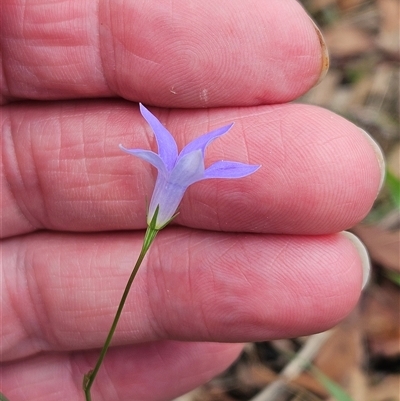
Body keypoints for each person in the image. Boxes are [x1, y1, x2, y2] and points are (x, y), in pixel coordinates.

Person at [1, 1, 384, 400]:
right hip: (158, 210)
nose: (195, 160)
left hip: (160, 209)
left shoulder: (183, 168)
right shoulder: (169, 161)